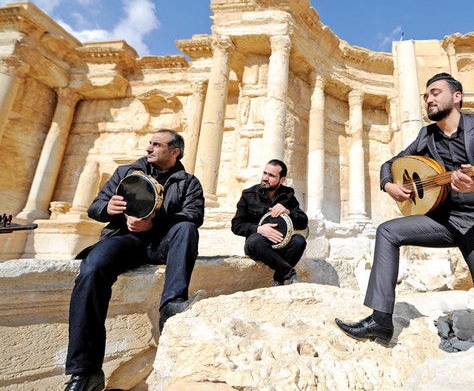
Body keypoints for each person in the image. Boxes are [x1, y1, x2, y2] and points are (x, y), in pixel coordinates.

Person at [335, 72, 474, 346]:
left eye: (435, 93)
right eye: (426, 95)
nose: (428, 99)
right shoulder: (426, 135)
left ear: (457, 97)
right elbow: (390, 164)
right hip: (445, 221)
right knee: (388, 232)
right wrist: (389, 185)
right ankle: (380, 320)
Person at [64, 129, 205, 391]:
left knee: (187, 229)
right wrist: (109, 209)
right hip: (125, 240)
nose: (148, 148)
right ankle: (85, 372)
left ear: (174, 152)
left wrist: (154, 221)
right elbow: (95, 207)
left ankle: (171, 304)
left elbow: (194, 215)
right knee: (91, 270)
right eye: (149, 143)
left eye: (156, 145)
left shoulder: (189, 182)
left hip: (161, 245)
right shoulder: (125, 172)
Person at [232, 159, 308, 286]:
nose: (265, 178)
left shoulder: (288, 195)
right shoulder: (248, 194)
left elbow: (303, 222)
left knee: (299, 240)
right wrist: (259, 229)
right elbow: (236, 225)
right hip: (258, 246)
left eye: (271, 175)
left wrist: (288, 211)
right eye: (265, 173)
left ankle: (278, 279)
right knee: (255, 240)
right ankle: (289, 273)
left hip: (282, 247)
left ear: (282, 180)